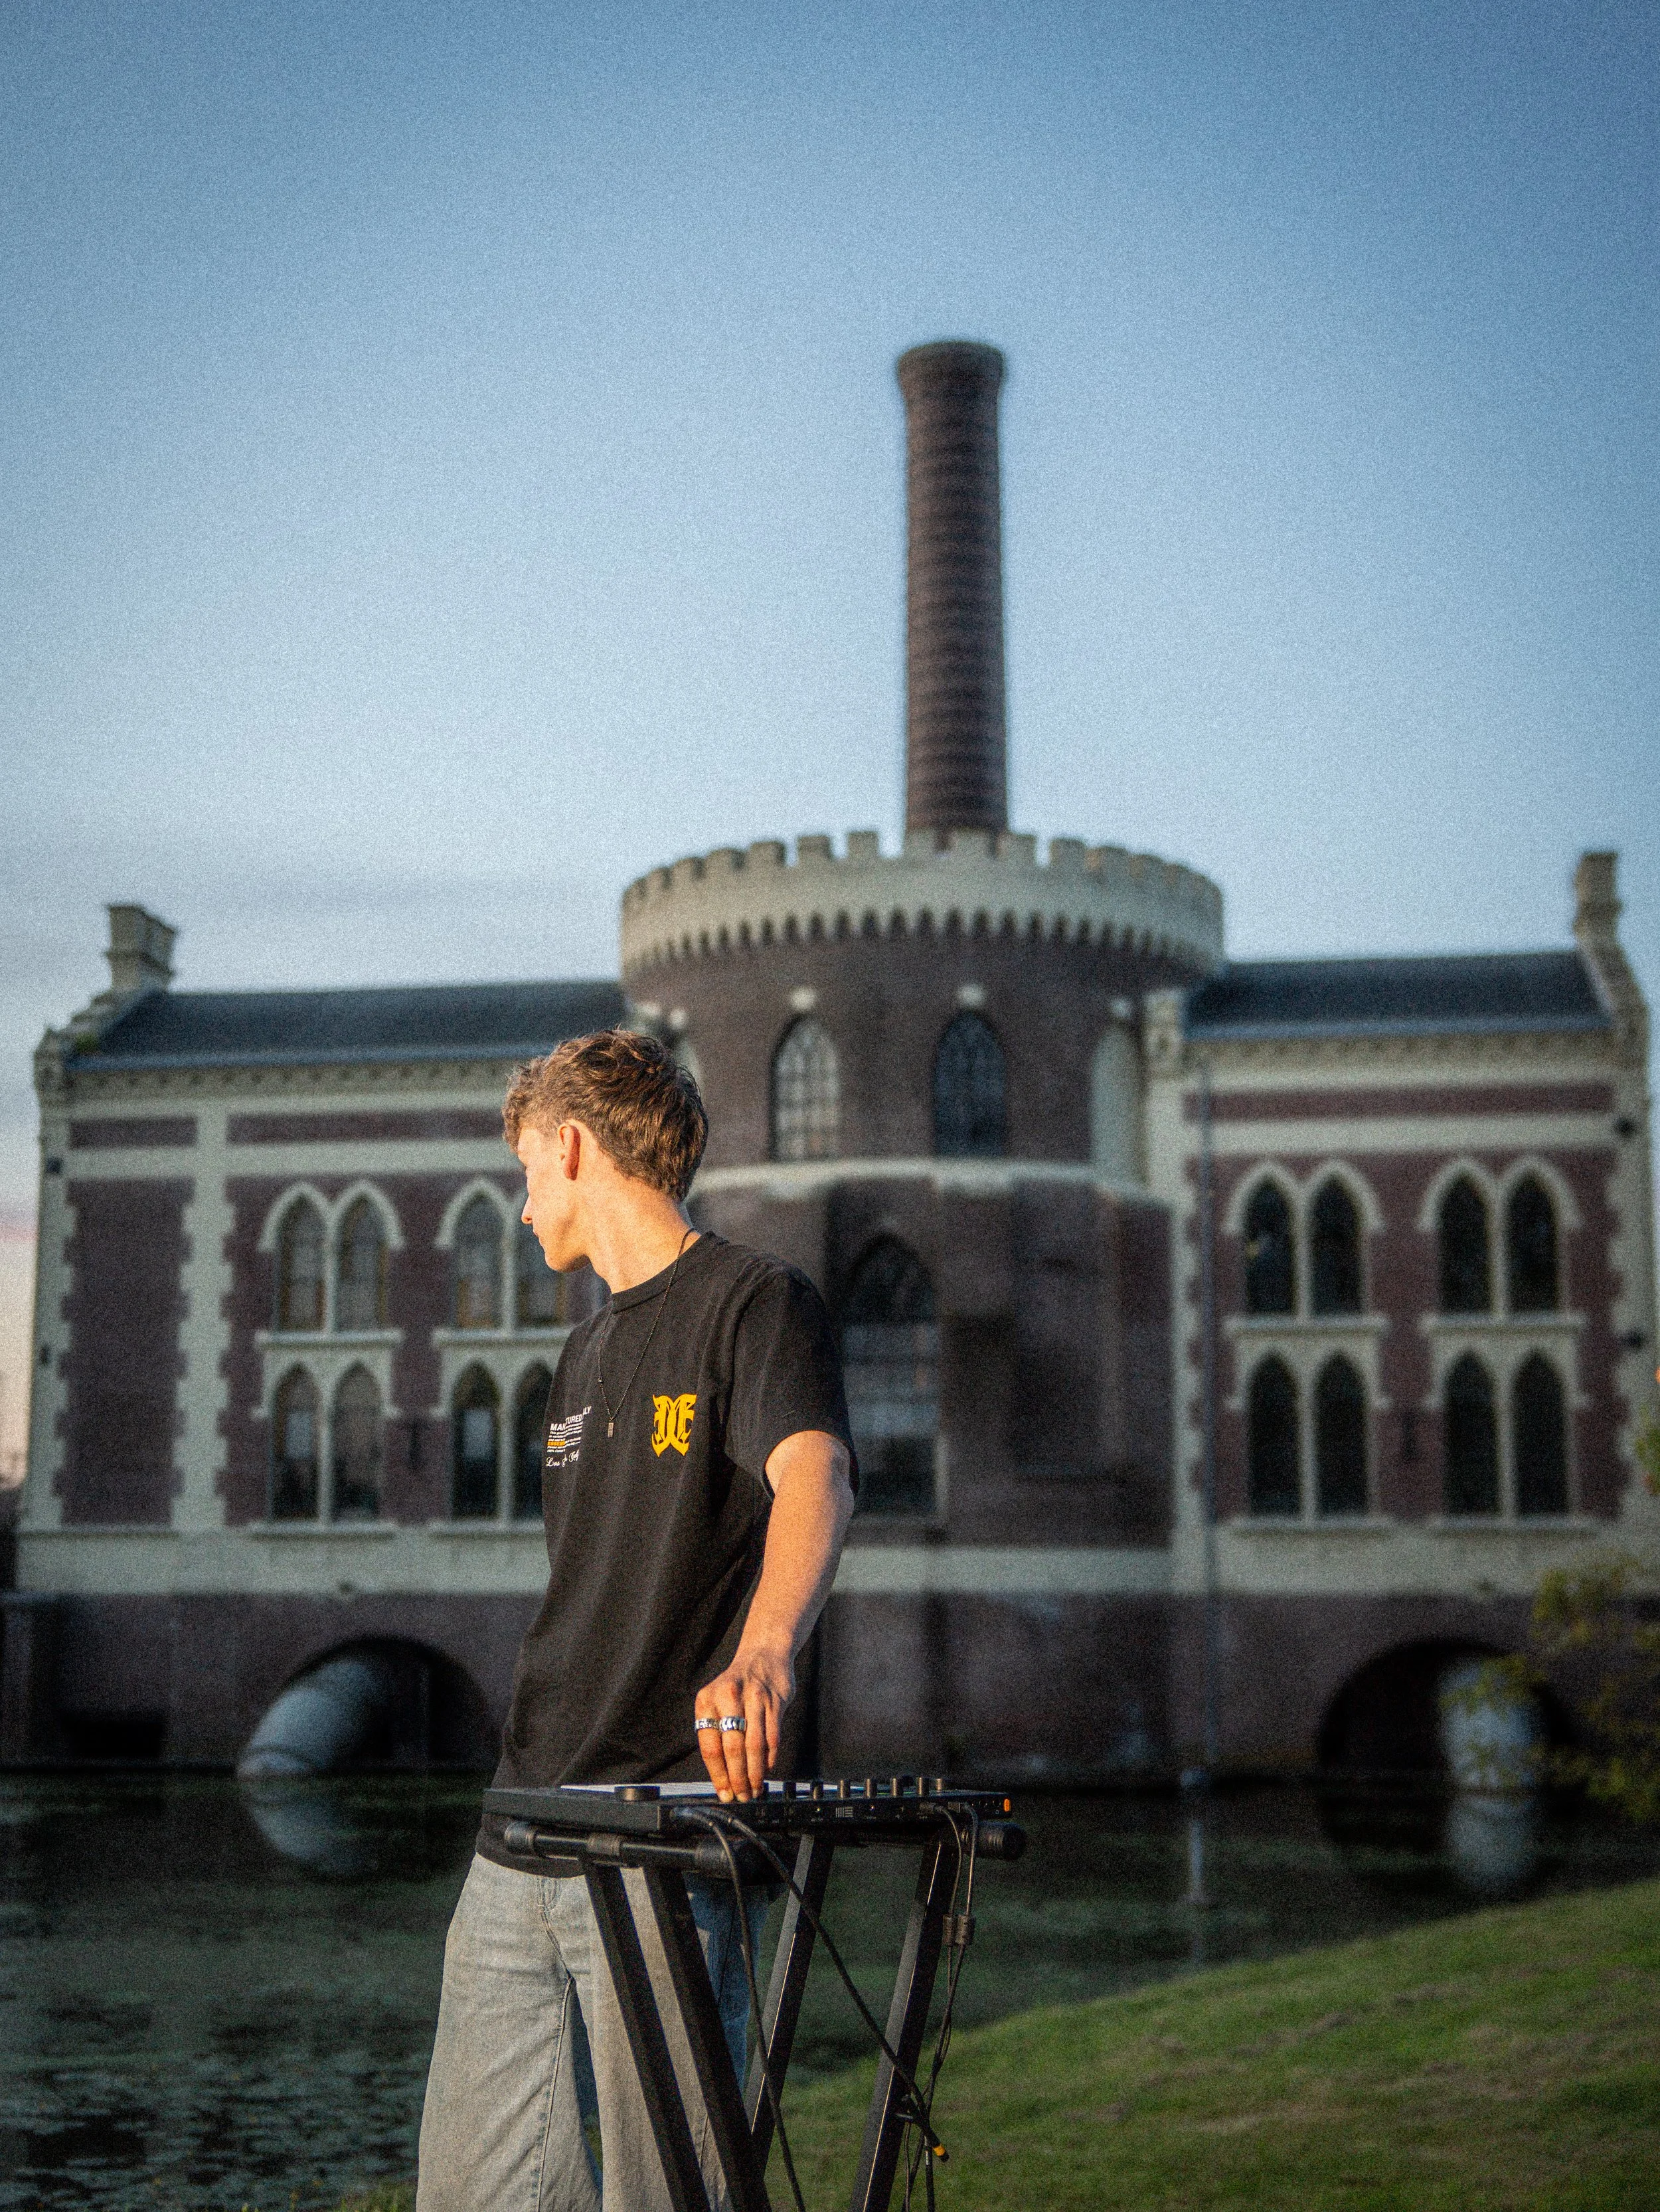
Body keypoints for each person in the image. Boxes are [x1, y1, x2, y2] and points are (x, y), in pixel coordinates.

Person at [416, 1029, 857, 2212]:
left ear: (569, 1145)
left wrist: (767, 1647)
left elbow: (814, 1474)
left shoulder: (756, 1304)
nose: (520, 1209)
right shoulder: (581, 1351)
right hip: (520, 1821)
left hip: (664, 1836)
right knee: (471, 2191)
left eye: (523, 1173)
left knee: (670, 2196)